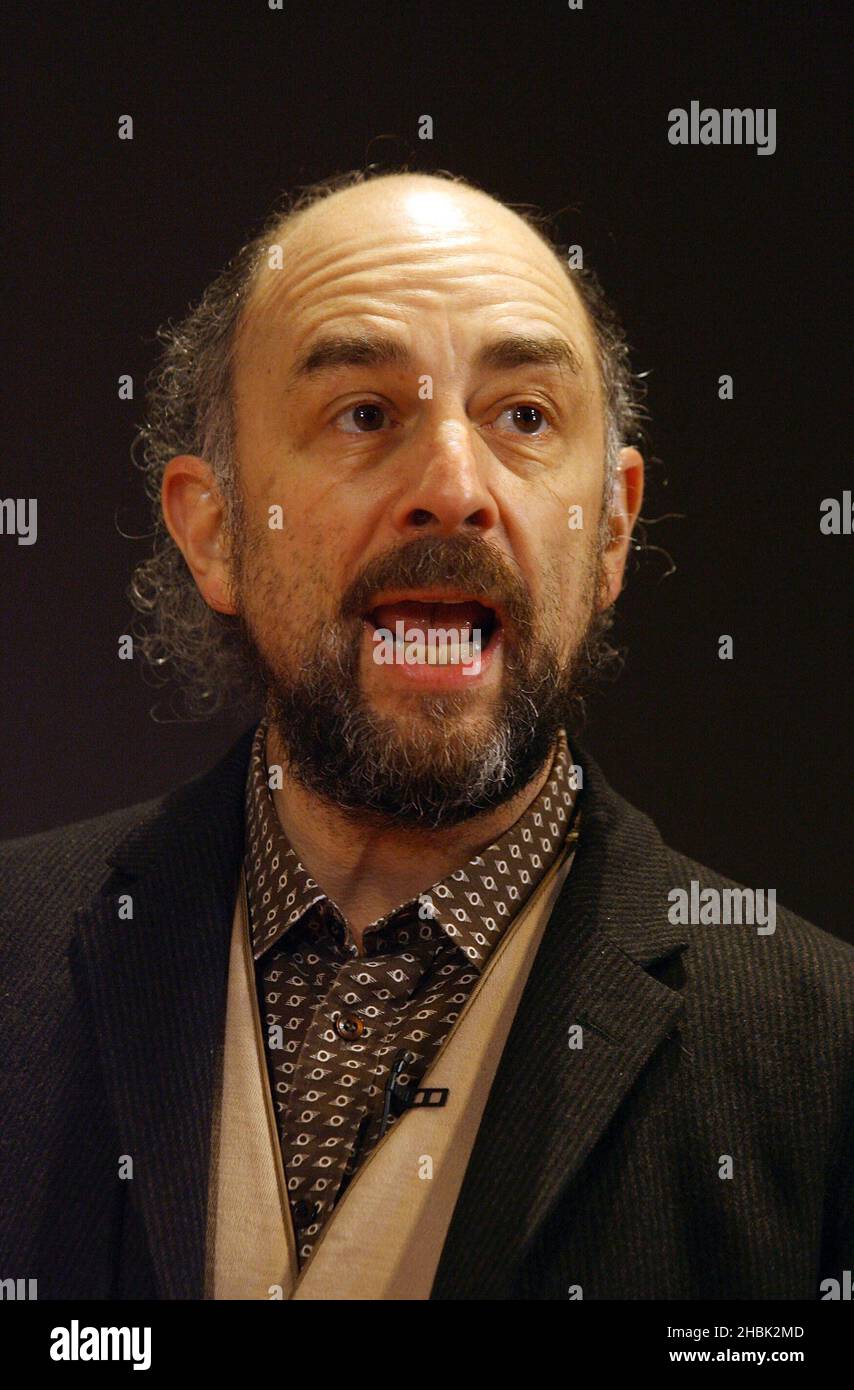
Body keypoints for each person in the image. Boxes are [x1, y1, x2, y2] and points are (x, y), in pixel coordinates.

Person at [1, 168, 851, 1301]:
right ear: (213, 534)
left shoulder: (822, 1059)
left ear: (608, 530)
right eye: (362, 414)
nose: (452, 486)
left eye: (524, 418)